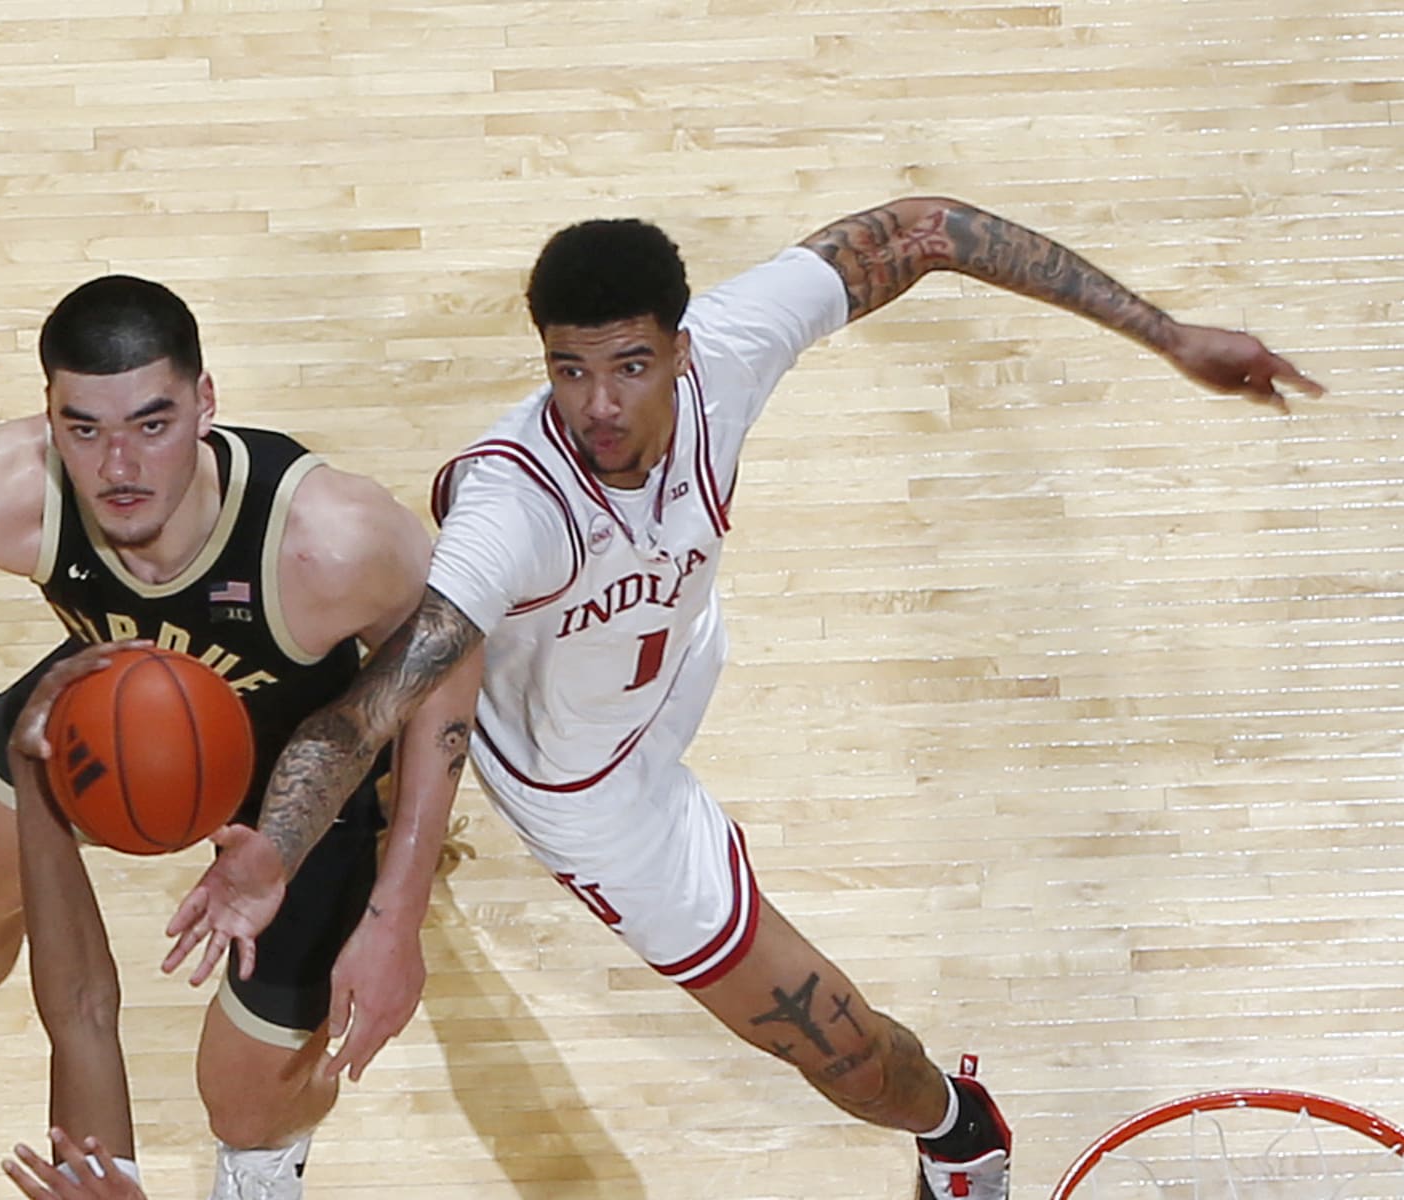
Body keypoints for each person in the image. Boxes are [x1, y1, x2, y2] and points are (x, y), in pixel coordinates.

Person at [156, 197, 1326, 1200]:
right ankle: (959, 1127)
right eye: (568, 370)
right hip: (586, 790)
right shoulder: (516, 507)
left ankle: (947, 1127)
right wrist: (285, 857)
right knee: (845, 1053)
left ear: (681, 348)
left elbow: (924, 230)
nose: (598, 406)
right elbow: (369, 711)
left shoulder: (733, 347)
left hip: (670, 665)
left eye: (629, 365)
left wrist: (1168, 334)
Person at [0, 275, 477, 1200]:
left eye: (152, 424)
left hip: (301, 766)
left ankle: (264, 1158)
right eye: (85, 429)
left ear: (205, 403)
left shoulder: (330, 539)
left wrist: (398, 912)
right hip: (117, 707)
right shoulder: (12, 488)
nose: (119, 466)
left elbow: (451, 657)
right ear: (50, 417)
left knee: (246, 1094)